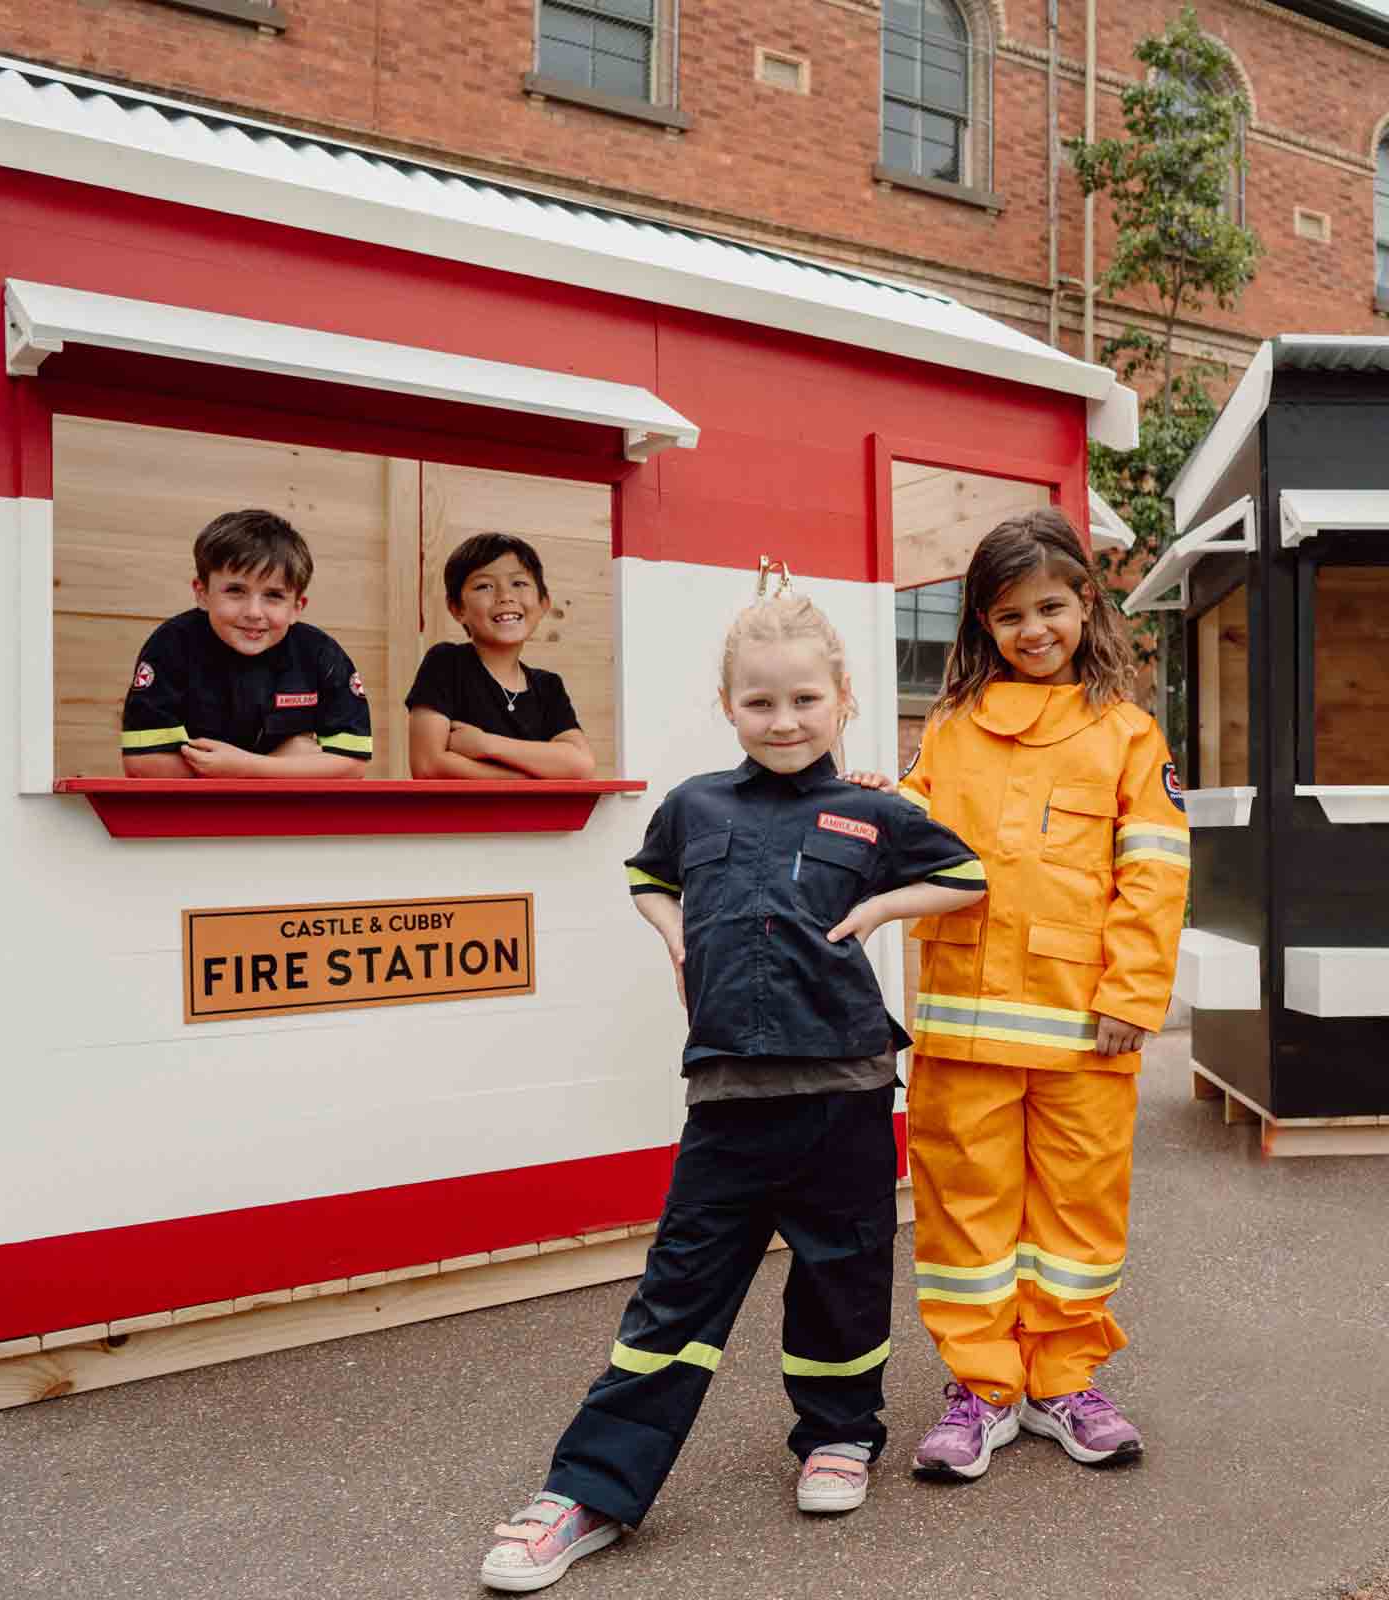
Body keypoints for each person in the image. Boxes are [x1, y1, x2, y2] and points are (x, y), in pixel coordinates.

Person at [478, 572, 987, 1593]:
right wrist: (673, 934)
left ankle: (839, 1435)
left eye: (804, 699)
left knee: (843, 1275)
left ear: (842, 695)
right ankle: (586, 1491)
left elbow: (968, 875)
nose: (783, 718)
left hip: (846, 1089)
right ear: (728, 706)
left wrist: (882, 912)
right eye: (759, 701)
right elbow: (646, 875)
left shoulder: (871, 813)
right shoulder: (693, 805)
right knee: (676, 1295)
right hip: (728, 1099)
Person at [852, 507, 1190, 1480]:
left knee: (1079, 1214)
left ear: (1085, 603)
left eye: (1049, 606)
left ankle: (1063, 1381)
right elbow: (917, 831)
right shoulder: (950, 730)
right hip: (962, 1028)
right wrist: (882, 802)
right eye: (1009, 615)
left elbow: (1155, 870)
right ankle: (981, 1389)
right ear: (982, 626)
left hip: (1089, 1030)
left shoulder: (1126, 734)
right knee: (966, 1217)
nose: (1032, 629)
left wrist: (1133, 994)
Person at [120, 509, 371, 778]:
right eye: (235, 591)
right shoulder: (171, 646)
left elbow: (352, 766)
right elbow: (144, 764)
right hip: (196, 817)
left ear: (297, 607)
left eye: (273, 595)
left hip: (291, 817)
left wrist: (242, 766)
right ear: (202, 593)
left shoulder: (321, 654)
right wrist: (283, 764)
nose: (254, 612)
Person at [406, 533, 595, 779]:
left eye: (519, 583)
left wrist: (485, 744)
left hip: (538, 819)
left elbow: (581, 765)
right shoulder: (446, 663)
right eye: (484, 586)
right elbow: (428, 765)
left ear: (543, 603)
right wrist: (530, 779)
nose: (505, 596)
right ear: (457, 609)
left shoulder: (548, 687)